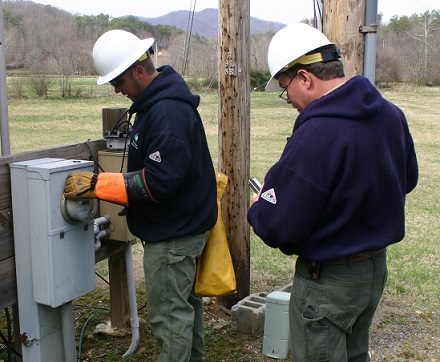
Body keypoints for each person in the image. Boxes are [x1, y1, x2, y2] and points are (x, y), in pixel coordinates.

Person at [247, 23, 418, 362]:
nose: (290, 101)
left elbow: (279, 225)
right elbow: (406, 179)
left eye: (286, 90)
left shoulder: (318, 133)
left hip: (329, 281)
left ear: (305, 78)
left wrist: (259, 206)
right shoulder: (389, 114)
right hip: (371, 273)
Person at [64, 29, 217, 362]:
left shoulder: (167, 113)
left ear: (139, 70)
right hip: (181, 228)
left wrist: (96, 184)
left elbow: (156, 183)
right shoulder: (155, 106)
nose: (117, 89)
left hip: (173, 236)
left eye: (119, 81)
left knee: (170, 319)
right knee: (185, 311)